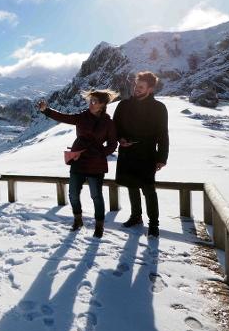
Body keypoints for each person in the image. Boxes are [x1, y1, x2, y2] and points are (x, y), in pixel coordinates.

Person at [38, 90, 118, 238]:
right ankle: (78, 219)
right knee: (73, 194)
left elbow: (113, 144)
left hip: (96, 163)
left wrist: (101, 153)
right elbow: (64, 117)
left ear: (102, 105)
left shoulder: (108, 123)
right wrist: (46, 111)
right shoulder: (82, 116)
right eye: (90, 100)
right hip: (78, 160)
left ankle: (99, 225)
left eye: (94, 101)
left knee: (96, 196)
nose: (91, 103)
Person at [114, 71, 169, 238]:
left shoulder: (159, 108)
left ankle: (153, 224)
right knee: (131, 186)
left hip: (147, 154)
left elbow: (163, 134)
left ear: (150, 89)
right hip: (127, 152)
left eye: (141, 87)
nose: (136, 89)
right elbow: (115, 126)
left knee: (148, 190)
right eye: (136, 86)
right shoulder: (123, 105)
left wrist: (162, 157)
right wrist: (120, 138)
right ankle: (136, 216)